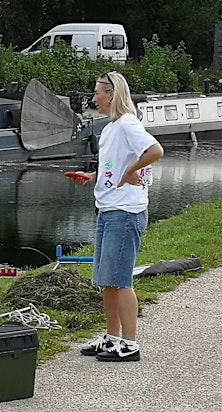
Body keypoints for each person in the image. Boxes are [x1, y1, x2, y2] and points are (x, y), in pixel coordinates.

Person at [72, 71, 164, 362]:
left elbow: (155, 150)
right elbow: (115, 165)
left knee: (121, 280)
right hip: (109, 210)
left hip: (125, 214)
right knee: (107, 279)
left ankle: (130, 344)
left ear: (111, 94)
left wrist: (131, 171)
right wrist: (93, 177)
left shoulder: (127, 123)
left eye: (97, 92)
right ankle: (112, 337)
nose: (94, 98)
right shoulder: (111, 128)